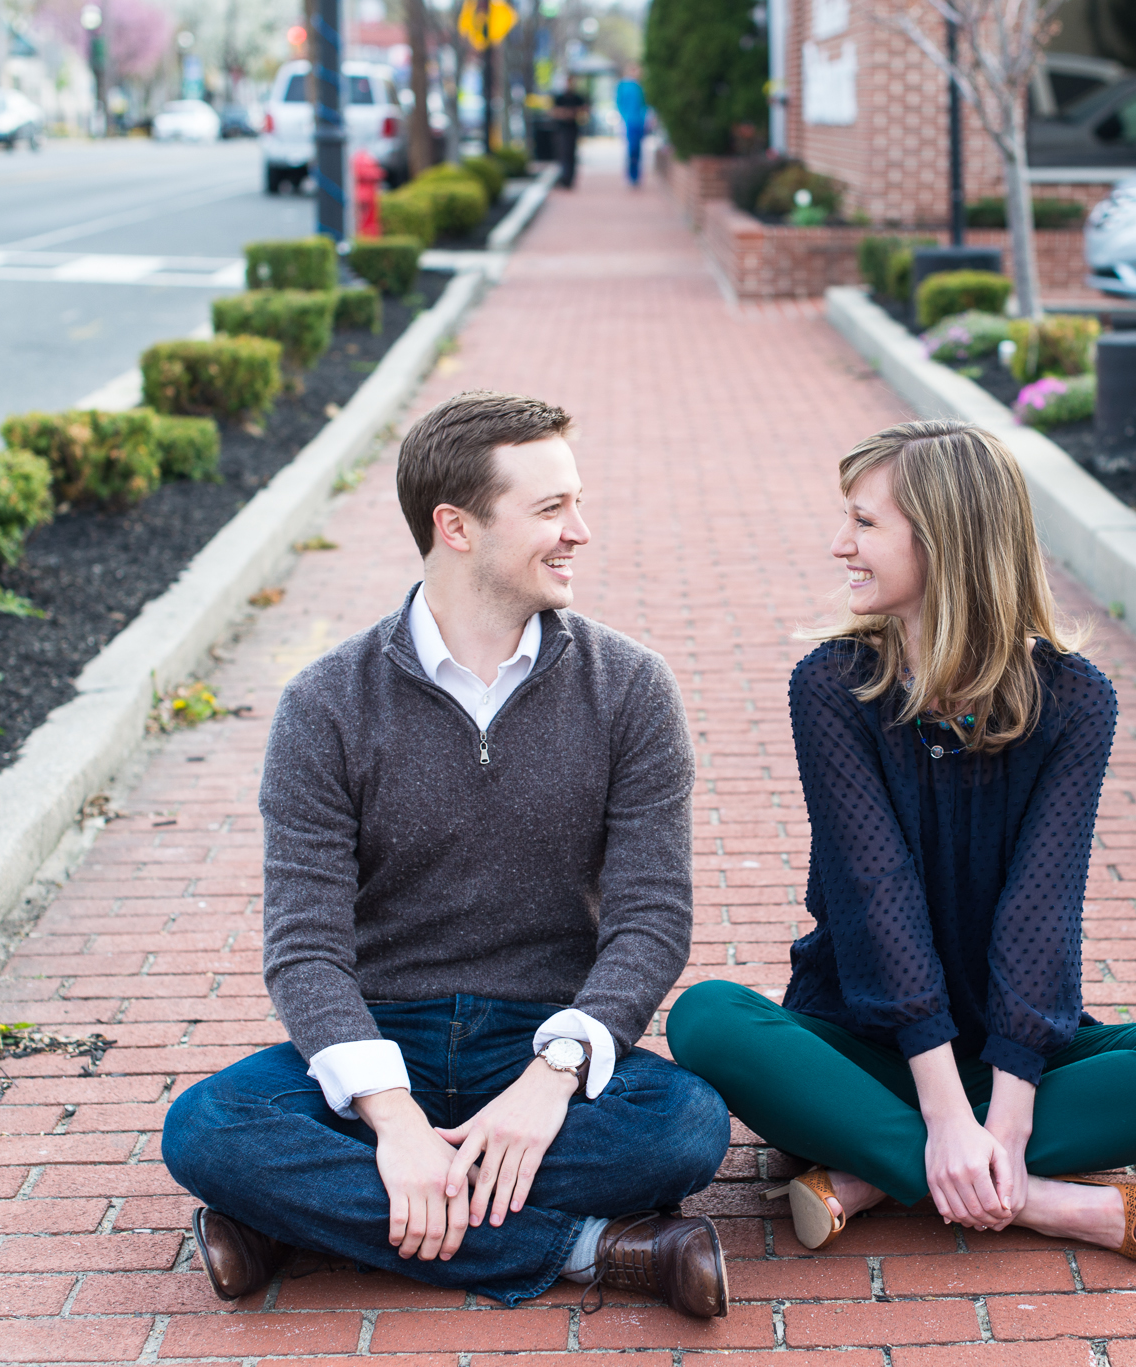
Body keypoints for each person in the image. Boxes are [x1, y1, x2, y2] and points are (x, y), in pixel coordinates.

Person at [162, 390, 733, 1318]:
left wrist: (550, 1081)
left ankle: (294, 1223)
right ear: (455, 526)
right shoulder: (326, 703)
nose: (579, 531)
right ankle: (598, 1247)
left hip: (542, 1029)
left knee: (687, 1126)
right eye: (550, 509)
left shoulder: (628, 686)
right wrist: (391, 1119)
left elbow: (651, 919)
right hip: (381, 1032)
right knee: (210, 1130)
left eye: (575, 503)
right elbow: (304, 946)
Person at [668, 420, 1136, 1256]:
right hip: (867, 1046)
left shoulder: (1075, 702)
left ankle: (875, 1172)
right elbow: (878, 901)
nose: (842, 545)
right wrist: (945, 1115)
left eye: (865, 523)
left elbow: (1041, 910)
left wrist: (1004, 1123)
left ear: (944, 541)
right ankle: (1041, 1202)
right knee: (708, 1019)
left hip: (1020, 1054)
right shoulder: (834, 688)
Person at [614, 63, 648, 187]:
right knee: (632, 149)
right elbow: (619, 103)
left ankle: (636, 176)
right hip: (630, 122)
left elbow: (645, 105)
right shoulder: (624, 86)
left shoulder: (640, 86)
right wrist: (623, 118)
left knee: (638, 150)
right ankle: (631, 176)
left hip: (640, 121)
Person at [550, 80, 588, 189]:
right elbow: (554, 112)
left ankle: (569, 179)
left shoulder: (577, 98)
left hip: (573, 129)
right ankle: (563, 178)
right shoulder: (559, 98)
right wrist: (568, 113)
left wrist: (570, 113)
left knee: (571, 153)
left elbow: (584, 110)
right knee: (562, 153)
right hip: (561, 129)